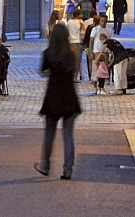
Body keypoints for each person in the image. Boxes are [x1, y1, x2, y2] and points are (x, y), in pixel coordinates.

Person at [34, 24, 81, 180]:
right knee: (68, 135)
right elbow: (73, 71)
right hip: (69, 97)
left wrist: (50, 72)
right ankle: (68, 169)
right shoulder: (71, 53)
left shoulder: (48, 53)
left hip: (53, 97)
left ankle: (45, 165)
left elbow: (43, 71)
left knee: (49, 134)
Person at [65, 10, 86, 80]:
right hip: (78, 42)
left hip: (70, 42)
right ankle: (74, 77)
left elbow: (66, 32)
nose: (82, 16)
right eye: (81, 14)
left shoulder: (69, 22)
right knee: (77, 60)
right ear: (78, 15)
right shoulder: (80, 22)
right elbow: (84, 32)